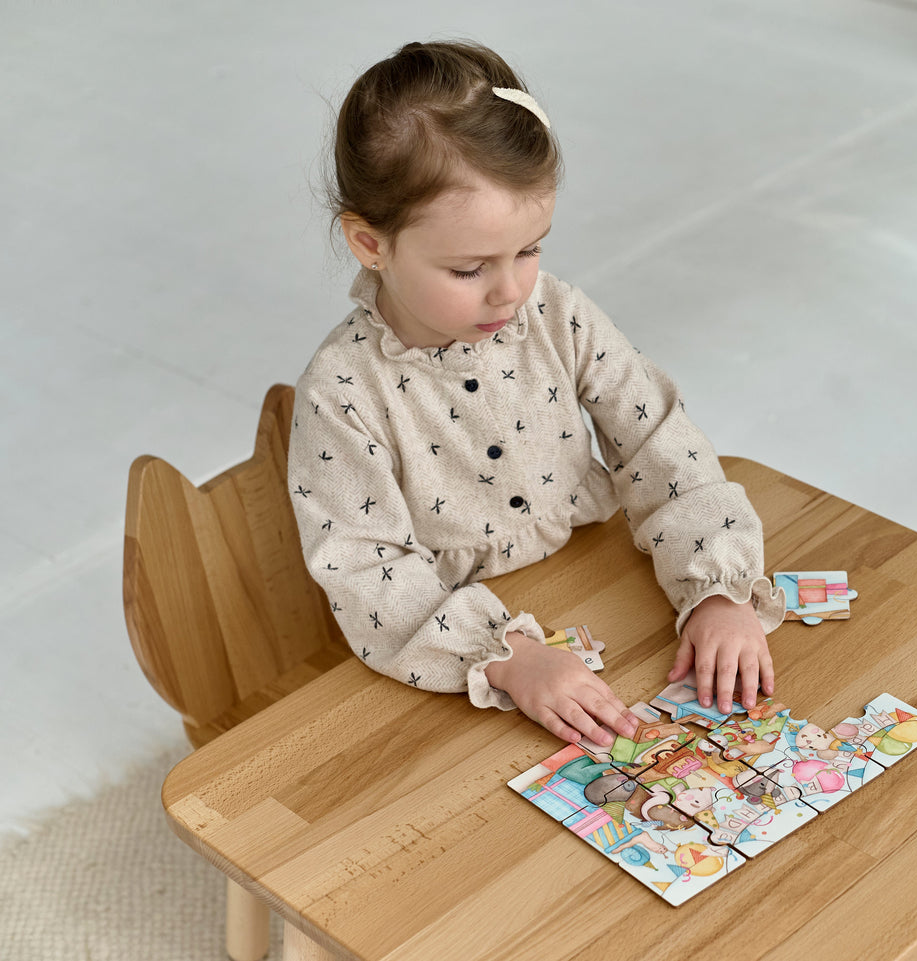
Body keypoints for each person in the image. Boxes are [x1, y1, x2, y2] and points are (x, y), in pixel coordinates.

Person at [287, 39, 785, 749]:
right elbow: (366, 568)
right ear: (370, 244)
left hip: (593, 582)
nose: (511, 289)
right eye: (468, 268)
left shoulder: (557, 312)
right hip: (444, 656)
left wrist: (717, 588)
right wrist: (505, 656)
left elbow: (657, 442)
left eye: (530, 249)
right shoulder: (341, 391)